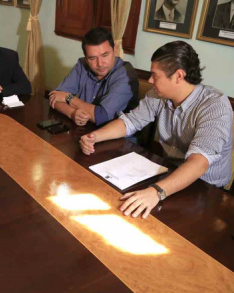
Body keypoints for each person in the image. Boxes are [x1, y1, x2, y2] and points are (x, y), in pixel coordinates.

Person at [79, 41, 233, 219]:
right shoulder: (158, 94)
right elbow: (130, 121)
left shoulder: (214, 106)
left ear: (178, 76)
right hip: (168, 173)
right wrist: (94, 136)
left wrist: (156, 192)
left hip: (206, 189)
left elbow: (199, 162)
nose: (150, 80)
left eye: (155, 75)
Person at [49, 27, 138, 127]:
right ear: (86, 58)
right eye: (92, 58)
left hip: (119, 138)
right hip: (86, 130)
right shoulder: (82, 65)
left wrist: (69, 98)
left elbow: (101, 116)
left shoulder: (125, 74)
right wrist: (72, 113)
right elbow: (55, 98)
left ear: (115, 50)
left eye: (105, 55)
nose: (100, 64)